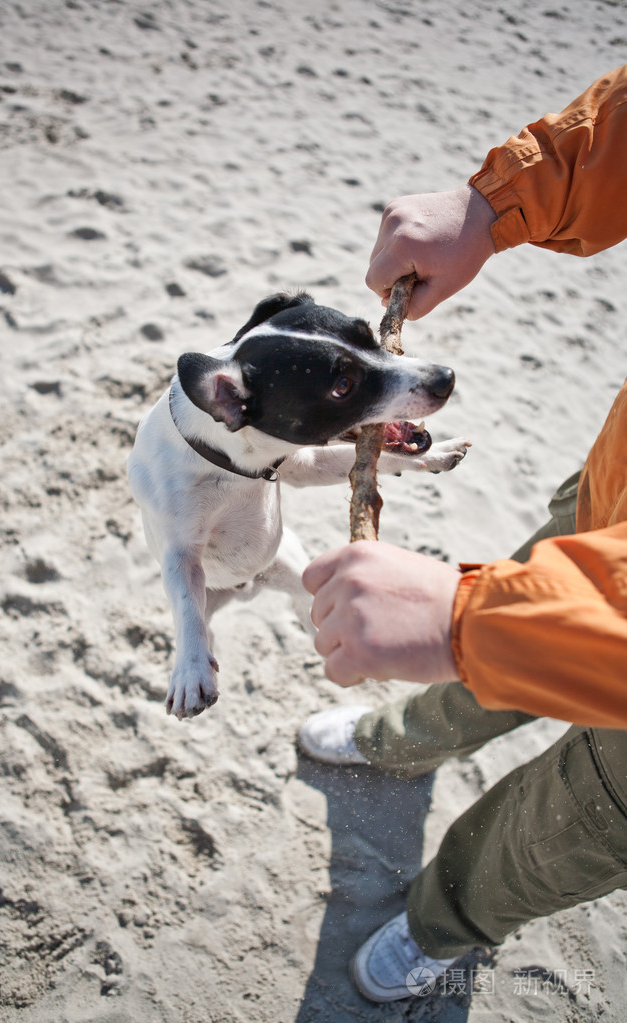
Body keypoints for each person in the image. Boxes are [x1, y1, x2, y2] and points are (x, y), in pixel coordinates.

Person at [298, 66, 627, 1004]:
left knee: (584, 816)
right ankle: (405, 740)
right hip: (618, 485)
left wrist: (473, 618)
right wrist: (502, 202)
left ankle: (448, 920)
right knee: (498, 634)